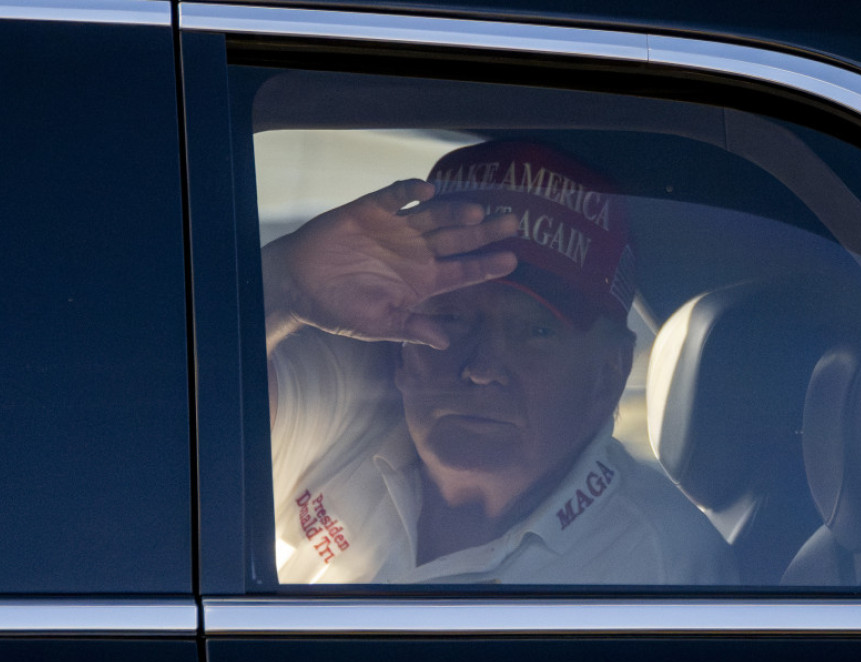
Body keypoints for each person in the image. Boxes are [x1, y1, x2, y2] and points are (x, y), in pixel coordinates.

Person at [264, 140, 737, 584]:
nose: (482, 367)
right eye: (449, 317)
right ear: (399, 347)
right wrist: (283, 284)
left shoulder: (662, 564)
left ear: (608, 374)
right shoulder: (344, 402)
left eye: (535, 332)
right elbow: (218, 416)